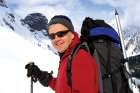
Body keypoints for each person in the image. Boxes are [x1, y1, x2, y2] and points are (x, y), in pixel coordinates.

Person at [25, 15, 99, 93]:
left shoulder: (80, 58)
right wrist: (40, 75)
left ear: (72, 35)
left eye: (61, 34)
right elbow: (63, 87)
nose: (56, 39)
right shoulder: (68, 56)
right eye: (52, 36)